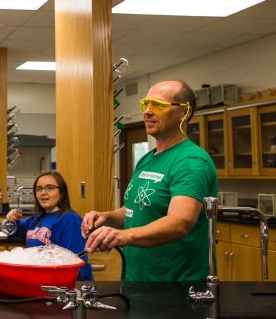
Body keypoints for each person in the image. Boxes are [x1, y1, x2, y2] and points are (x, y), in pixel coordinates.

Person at [81, 80, 217, 282]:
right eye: (146, 104)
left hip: (173, 286)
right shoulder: (148, 158)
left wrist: (125, 236)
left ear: (185, 112)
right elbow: (136, 210)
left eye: (159, 105)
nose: (147, 111)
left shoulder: (191, 161)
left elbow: (180, 222)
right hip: (137, 278)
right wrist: (107, 217)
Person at [4, 171, 93, 281]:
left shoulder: (70, 220)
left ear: (61, 192)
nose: (43, 193)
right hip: (41, 280)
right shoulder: (37, 218)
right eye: (39, 189)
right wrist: (12, 218)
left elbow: (76, 263)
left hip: (64, 286)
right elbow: (16, 230)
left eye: (50, 188)